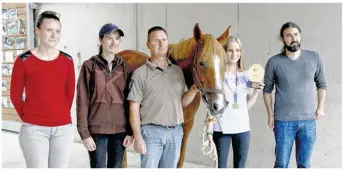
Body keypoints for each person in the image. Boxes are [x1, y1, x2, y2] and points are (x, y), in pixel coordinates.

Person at [10, 11, 75, 168]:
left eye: (57, 31)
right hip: (34, 129)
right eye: (49, 30)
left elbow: (70, 93)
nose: (54, 35)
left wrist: (60, 116)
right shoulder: (23, 61)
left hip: (63, 129)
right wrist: (29, 116)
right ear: (37, 31)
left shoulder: (67, 60)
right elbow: (14, 95)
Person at [127, 26, 198, 168]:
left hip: (175, 133)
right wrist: (138, 137)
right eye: (156, 41)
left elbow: (183, 102)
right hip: (151, 133)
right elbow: (133, 107)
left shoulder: (177, 71)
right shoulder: (141, 73)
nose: (161, 44)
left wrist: (193, 90)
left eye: (164, 40)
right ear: (148, 45)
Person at [263, 21, 327, 168]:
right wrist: (270, 114)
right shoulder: (274, 62)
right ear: (282, 39)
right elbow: (267, 90)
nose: (293, 38)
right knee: (281, 164)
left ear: (300, 36)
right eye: (288, 36)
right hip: (283, 122)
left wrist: (321, 107)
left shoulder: (314, 58)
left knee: (304, 164)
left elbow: (321, 85)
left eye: (296, 34)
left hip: (308, 121)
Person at [76, 23, 134, 168]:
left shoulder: (124, 67)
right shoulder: (89, 66)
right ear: (101, 40)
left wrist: (131, 131)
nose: (114, 42)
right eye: (109, 38)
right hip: (96, 130)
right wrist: (84, 133)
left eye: (117, 38)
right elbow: (82, 100)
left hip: (120, 130)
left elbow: (130, 100)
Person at [206, 36, 264, 168]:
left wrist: (256, 92)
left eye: (237, 50)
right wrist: (209, 130)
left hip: (242, 129)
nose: (234, 54)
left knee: (240, 167)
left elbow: (246, 106)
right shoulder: (217, 75)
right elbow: (211, 107)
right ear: (224, 51)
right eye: (230, 50)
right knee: (221, 167)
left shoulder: (247, 75)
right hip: (221, 129)